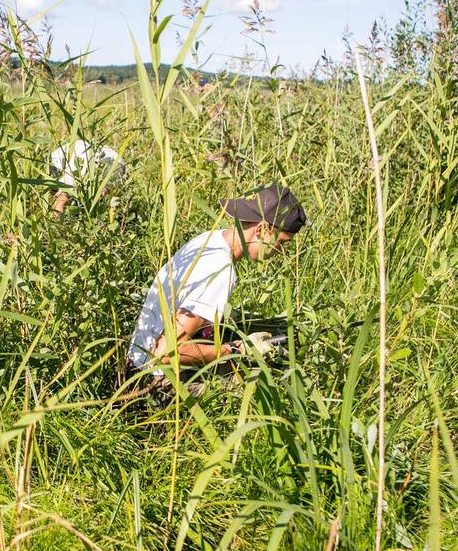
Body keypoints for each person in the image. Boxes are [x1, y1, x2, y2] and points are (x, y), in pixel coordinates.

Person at [126, 183, 306, 392]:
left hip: (136, 361)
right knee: (257, 385)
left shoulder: (209, 239)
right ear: (261, 229)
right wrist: (236, 350)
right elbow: (166, 352)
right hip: (154, 380)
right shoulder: (221, 271)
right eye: (282, 243)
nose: (280, 251)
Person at [48, 139, 126, 217]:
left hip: (109, 161)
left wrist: (57, 226)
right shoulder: (69, 156)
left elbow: (60, 202)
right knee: (102, 196)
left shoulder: (72, 169)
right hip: (115, 159)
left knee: (65, 197)